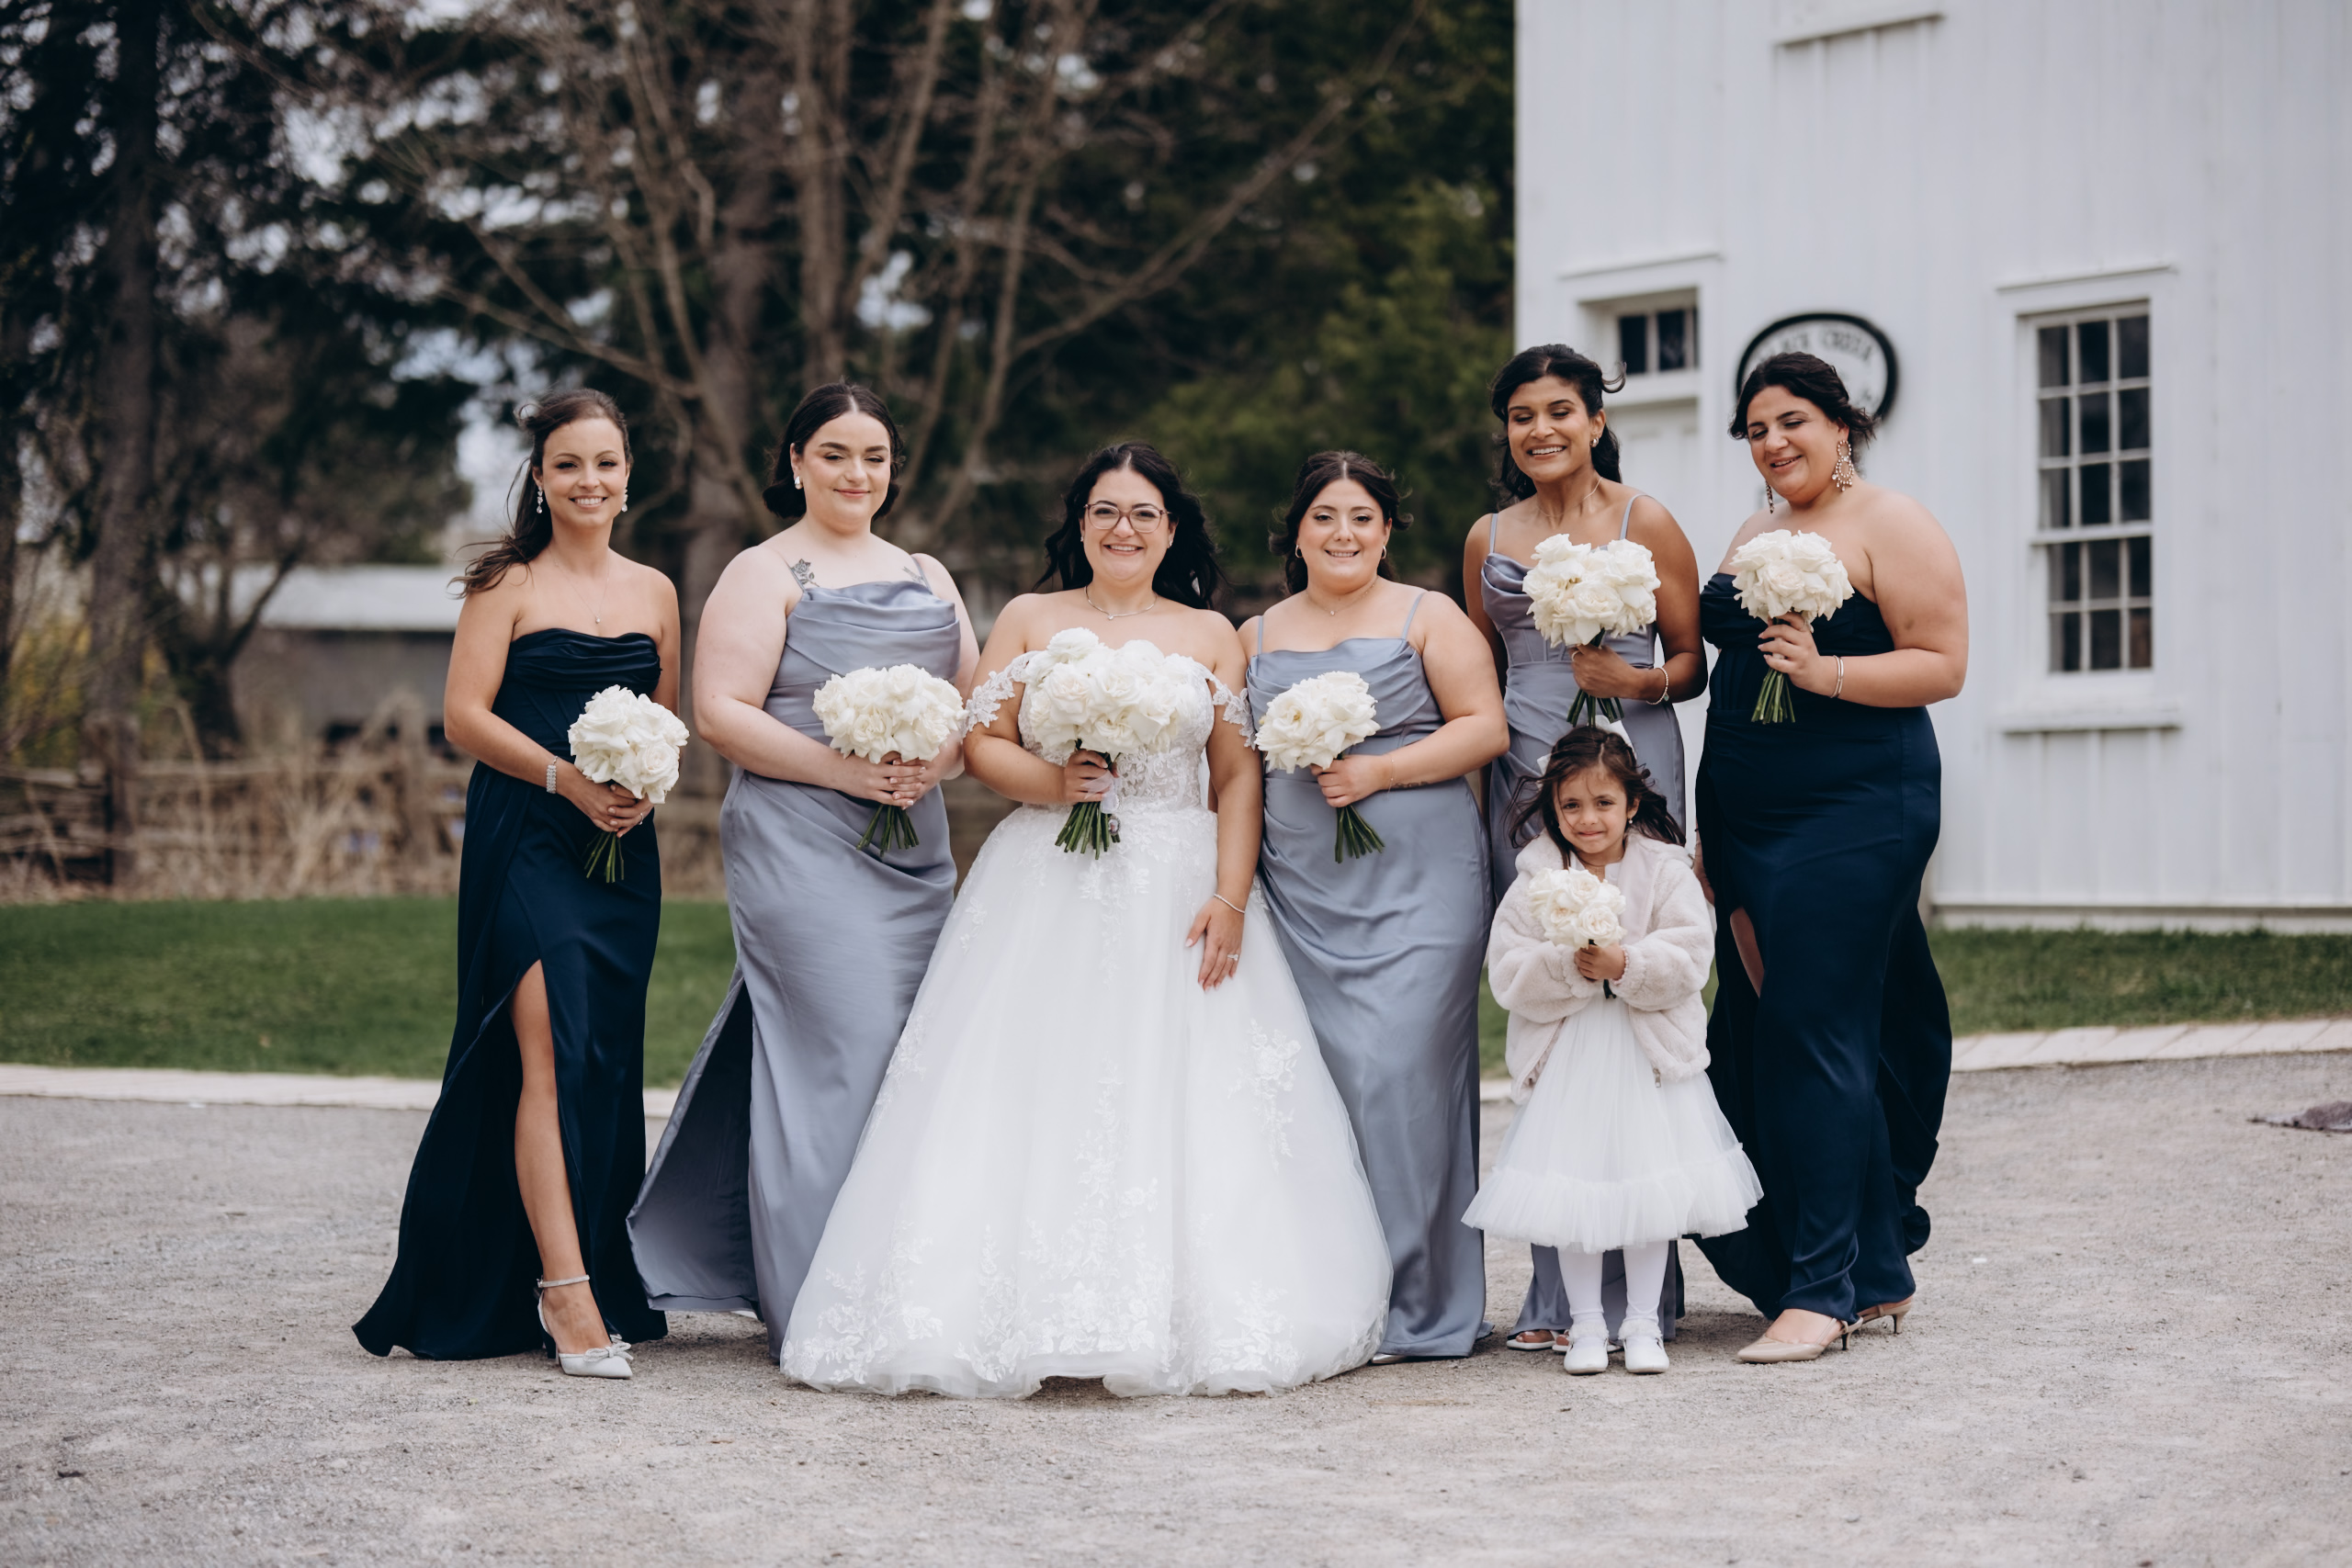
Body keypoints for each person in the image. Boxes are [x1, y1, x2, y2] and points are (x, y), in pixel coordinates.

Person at [778, 442, 1390, 1398]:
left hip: (1179, 882)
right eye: (1105, 511)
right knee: (1028, 1083)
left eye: (1143, 513)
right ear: (1080, 524)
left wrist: (1230, 898)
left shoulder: (1210, 633)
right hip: (1046, 878)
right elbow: (981, 742)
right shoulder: (1032, 617)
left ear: (1171, 530)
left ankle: (1169, 1311)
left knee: (1177, 1088)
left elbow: (1237, 777)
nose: (1122, 529)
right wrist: (1057, 783)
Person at [628, 384, 978, 1357]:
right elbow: (720, 712)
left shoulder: (928, 573)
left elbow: (972, 710)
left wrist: (932, 764)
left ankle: (896, 1286)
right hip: (799, 839)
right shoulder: (763, 570)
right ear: (795, 462)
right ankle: (817, 1303)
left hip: (914, 846)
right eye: (834, 454)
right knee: (841, 1052)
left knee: (907, 1057)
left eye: (874, 456)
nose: (856, 473)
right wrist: (846, 770)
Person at [355, 389, 678, 1379]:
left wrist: (639, 787)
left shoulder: (657, 591)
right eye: (568, 463)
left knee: (600, 1059)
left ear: (628, 475)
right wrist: (565, 779)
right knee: (546, 1049)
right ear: (540, 478)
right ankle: (566, 1292)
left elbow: (663, 720)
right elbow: (463, 715)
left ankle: (588, 1264)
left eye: (606, 463)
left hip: (618, 851)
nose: (589, 481)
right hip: (527, 838)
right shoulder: (507, 584)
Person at [1692, 351, 1965, 1363]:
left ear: (1840, 425)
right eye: (1756, 429)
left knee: (1812, 1033)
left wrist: (1826, 670)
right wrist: (1713, 828)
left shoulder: (1893, 522)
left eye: (1792, 421)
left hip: (1857, 808)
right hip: (1748, 817)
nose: (1773, 443)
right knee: (1776, 1033)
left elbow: (1943, 664)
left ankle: (1822, 1290)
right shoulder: (1752, 532)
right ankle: (1878, 1269)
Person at [1463, 344, 1706, 1354]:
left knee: (1633, 991)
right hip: (1526, 769)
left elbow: (1692, 660)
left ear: (1595, 421)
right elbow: (1480, 664)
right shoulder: (1487, 537)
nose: (1542, 430)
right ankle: (1559, 1301)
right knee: (1557, 1003)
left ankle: (1648, 1293)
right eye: (1522, 415)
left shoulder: (1648, 521)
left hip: (1629, 757)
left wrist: (1633, 680)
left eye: (1560, 410)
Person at [1240, 451, 1506, 1363]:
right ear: (1296, 532)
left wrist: (1380, 770)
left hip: (1422, 885)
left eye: (1361, 517)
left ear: (1387, 530)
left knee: (1403, 1078)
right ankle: (1343, 1294)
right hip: (1305, 890)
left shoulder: (1426, 615)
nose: (1343, 533)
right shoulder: (1255, 635)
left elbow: (1485, 727)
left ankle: (1423, 1305)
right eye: (1324, 516)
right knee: (1325, 1086)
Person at [1467, 728, 1758, 1374]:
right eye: (1571, 805)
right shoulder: (1539, 877)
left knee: (1649, 1189)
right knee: (1577, 1187)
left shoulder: (1666, 870)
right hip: (1572, 1056)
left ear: (1631, 803)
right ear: (1553, 808)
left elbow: (1692, 955)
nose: (1587, 819)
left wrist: (1627, 964)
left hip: (1646, 1057)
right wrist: (1569, 966)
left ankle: (1643, 1322)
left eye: (1603, 802)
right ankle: (1587, 1325)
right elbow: (1507, 969)